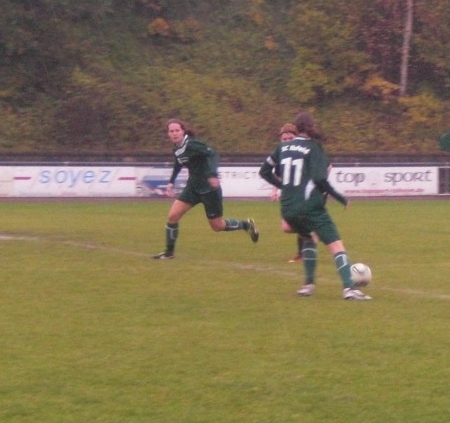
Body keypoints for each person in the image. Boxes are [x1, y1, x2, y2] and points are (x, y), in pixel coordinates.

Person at [258, 113, 370, 300]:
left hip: (288, 208)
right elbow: (319, 178)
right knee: (336, 245)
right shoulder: (314, 147)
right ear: (311, 126)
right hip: (310, 207)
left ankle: (308, 285)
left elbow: (264, 171)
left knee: (308, 238)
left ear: (297, 127)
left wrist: (283, 186)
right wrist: (339, 197)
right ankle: (350, 289)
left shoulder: (282, 147)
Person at [152, 118, 258, 259]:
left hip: (209, 189)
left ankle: (246, 225)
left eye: (177, 130)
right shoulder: (177, 149)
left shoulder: (193, 144)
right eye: (171, 131)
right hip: (193, 188)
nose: (174, 133)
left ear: (183, 131)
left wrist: (212, 175)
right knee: (172, 216)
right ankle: (169, 253)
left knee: (217, 226)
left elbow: (212, 153)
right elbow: (178, 163)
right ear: (168, 134)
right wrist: (171, 182)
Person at [271, 123, 306, 263]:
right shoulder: (281, 154)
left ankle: (301, 254)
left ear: (296, 138)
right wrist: (274, 190)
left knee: (298, 221)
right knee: (286, 227)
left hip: (303, 193)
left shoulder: (304, 151)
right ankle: (312, 231)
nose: (287, 141)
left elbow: (325, 167)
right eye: (284, 139)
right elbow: (278, 175)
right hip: (289, 195)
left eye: (290, 138)